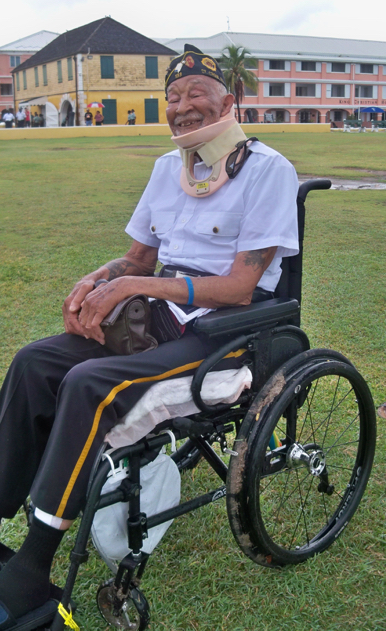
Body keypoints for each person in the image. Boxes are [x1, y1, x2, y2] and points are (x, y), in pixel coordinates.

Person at [0, 44, 299, 626]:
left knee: (91, 384)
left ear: (228, 103)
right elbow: (139, 254)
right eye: (173, 99)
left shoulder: (269, 170)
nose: (182, 108)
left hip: (228, 331)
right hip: (157, 319)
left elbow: (241, 285)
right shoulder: (168, 169)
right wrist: (97, 279)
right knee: (36, 361)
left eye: (197, 96)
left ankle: (34, 568)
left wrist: (143, 285)